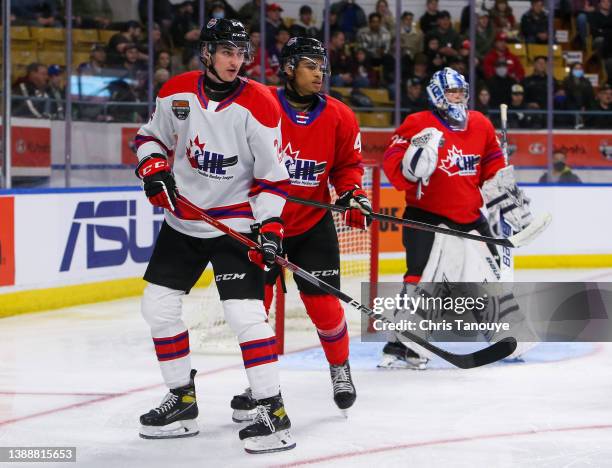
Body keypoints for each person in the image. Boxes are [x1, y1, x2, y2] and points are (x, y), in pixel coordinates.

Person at [134, 18, 295, 454]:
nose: (236, 60)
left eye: (241, 53)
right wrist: (153, 170)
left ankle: (272, 409)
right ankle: (182, 400)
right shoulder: (176, 91)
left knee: (245, 315)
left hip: (234, 225)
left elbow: (272, 178)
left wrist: (270, 228)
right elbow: (150, 139)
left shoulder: (259, 103)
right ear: (206, 53)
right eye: (227, 51)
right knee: (158, 306)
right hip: (184, 222)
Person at [230, 37, 370, 422]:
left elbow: (346, 167)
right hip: (259, 224)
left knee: (324, 307)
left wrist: (352, 195)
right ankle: (260, 385)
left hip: (311, 225)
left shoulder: (340, 115)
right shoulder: (260, 106)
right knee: (253, 311)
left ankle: (340, 369)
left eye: (322, 66)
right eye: (310, 65)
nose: (319, 73)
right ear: (289, 68)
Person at [379, 67, 534, 369]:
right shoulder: (418, 123)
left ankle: (507, 333)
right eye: (452, 92)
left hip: (470, 217)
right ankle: (402, 343)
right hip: (426, 217)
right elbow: (392, 165)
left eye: (461, 92)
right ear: (436, 94)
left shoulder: (480, 124)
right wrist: (412, 164)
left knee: (492, 278)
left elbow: (492, 170)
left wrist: (505, 193)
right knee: (422, 280)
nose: (458, 98)